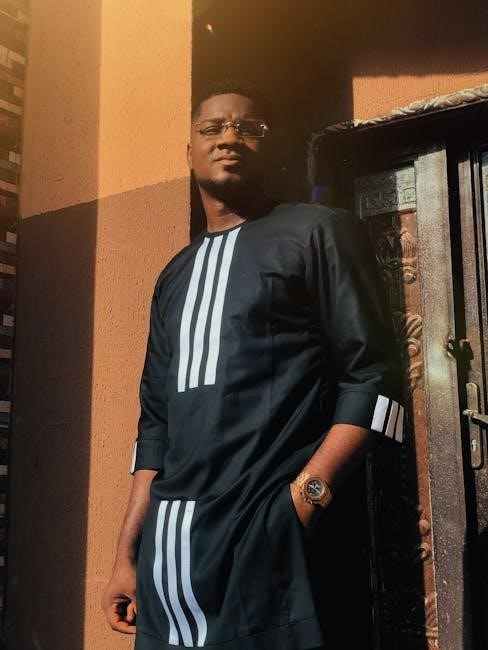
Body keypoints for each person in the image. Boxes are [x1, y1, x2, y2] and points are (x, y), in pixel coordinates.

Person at [102, 78, 403, 650]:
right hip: (169, 555)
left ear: (272, 147)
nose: (229, 137)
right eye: (212, 128)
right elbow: (154, 427)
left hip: (268, 541)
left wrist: (305, 500)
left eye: (249, 128)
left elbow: (374, 380)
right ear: (189, 150)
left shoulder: (317, 231)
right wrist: (127, 555)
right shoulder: (174, 277)